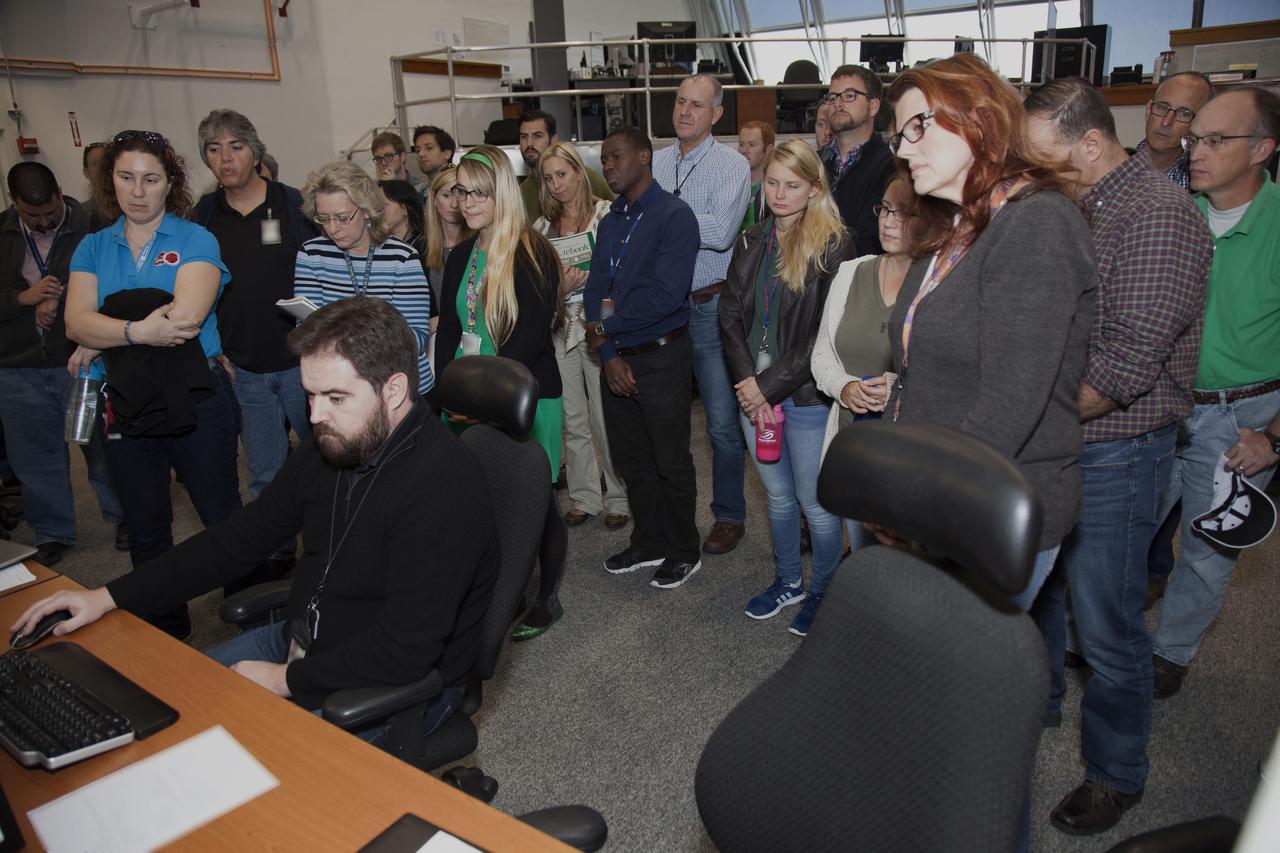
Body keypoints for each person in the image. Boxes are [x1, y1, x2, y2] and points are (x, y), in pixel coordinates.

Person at [13, 297, 501, 749]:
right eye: (309, 395)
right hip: (304, 635)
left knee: (214, 775)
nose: (314, 417)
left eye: (334, 397)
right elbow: (237, 542)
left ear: (394, 389)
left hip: (390, 686)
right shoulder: (334, 446)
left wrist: (280, 680)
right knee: (157, 714)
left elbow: (404, 652)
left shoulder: (443, 484)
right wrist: (107, 597)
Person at [1023, 76, 1214, 836]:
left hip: (1116, 450)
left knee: (1106, 623)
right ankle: (1037, 701)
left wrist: (1022, 418)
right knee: (1039, 593)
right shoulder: (1080, 204)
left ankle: (1115, 772)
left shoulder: (1158, 216)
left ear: (1093, 144)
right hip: (1059, 441)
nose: (1036, 177)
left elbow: (1121, 372)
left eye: (1047, 161)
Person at [883, 54, 1095, 610]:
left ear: (977, 117)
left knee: (963, 681)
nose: (904, 149)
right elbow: (910, 372)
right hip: (940, 488)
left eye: (919, 126)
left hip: (989, 503)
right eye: (899, 136)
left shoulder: (1037, 224)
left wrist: (921, 505)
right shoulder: (956, 228)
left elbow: (1008, 407)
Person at [66, 129, 242, 639]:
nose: (137, 191)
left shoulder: (195, 239)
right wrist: (136, 330)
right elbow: (75, 324)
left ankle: (251, 611)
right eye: (126, 178)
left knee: (221, 515)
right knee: (145, 526)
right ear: (110, 182)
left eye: (150, 179)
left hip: (195, 395)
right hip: (123, 400)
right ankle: (163, 631)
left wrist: (105, 330)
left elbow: (186, 318)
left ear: (171, 185)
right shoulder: (93, 246)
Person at [1150, 87, 1280, 697]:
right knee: (1124, 523)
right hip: (1161, 401)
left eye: (1214, 140)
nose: (1195, 151)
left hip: (1240, 419)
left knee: (1207, 546)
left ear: (1262, 149)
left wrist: (1274, 437)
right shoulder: (1181, 214)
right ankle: (1095, 634)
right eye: (1193, 138)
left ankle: (1170, 653)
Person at [718, 139, 851, 636]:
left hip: (805, 395)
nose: (779, 193)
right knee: (777, 499)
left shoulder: (834, 244)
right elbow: (728, 314)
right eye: (772, 182)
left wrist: (765, 386)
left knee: (813, 501)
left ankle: (824, 591)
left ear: (814, 188)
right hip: (755, 392)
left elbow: (823, 334)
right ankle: (789, 581)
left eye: (791, 185)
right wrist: (747, 383)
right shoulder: (752, 239)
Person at [435, 145, 566, 641]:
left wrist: (479, 401)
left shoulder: (532, 251)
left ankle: (547, 596)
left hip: (524, 399)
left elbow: (528, 342)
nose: (466, 203)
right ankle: (504, 588)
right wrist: (450, 392)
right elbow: (450, 329)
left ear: (503, 194)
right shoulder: (463, 254)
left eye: (478, 193)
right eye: (460, 192)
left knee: (538, 500)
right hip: (468, 399)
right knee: (484, 499)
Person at [192, 109, 319, 582]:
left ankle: (333, 537)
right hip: (241, 366)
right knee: (264, 471)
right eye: (214, 149)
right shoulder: (203, 218)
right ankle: (279, 548)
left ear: (255, 151)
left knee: (325, 456)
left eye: (235, 147)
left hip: (301, 360)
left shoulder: (292, 206)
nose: (225, 158)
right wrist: (213, 347)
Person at [584, 127, 701, 589]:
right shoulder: (612, 220)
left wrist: (600, 330)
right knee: (632, 460)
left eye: (616, 157)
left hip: (661, 356)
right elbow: (597, 287)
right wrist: (608, 350)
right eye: (604, 159)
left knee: (670, 460)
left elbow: (665, 296)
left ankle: (684, 549)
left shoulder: (674, 216)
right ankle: (650, 540)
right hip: (616, 357)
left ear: (645, 156)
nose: (608, 166)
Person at [0, 162, 125, 565]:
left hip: (81, 360)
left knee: (102, 447)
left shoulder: (92, 225)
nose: (42, 222)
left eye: (50, 213)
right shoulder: (2, 234)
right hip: (17, 365)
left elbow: (114, 282)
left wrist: (63, 295)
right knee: (33, 456)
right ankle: (52, 530)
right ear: (13, 203)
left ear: (59, 193)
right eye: (31, 216)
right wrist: (23, 299)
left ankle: (125, 515)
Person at [652, 73, 752, 556]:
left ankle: (730, 515)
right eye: (680, 102)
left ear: (715, 115)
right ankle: (670, 513)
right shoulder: (656, 161)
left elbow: (720, 231)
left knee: (719, 422)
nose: (685, 111)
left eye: (697, 105)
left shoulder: (732, 166)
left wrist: (665, 216)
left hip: (710, 305)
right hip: (662, 309)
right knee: (664, 418)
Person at [531, 141, 630, 531]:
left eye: (563, 174)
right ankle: (586, 495)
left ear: (578, 173)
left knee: (606, 416)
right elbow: (535, 283)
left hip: (598, 326)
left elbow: (625, 272)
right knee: (571, 416)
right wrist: (558, 283)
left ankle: (619, 496)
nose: (557, 184)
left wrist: (597, 289)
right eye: (549, 177)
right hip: (560, 326)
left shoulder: (608, 214)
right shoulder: (541, 227)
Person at [811, 176, 914, 542]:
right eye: (884, 209)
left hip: (909, 448)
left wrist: (899, 386)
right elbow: (822, 353)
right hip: (853, 439)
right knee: (861, 546)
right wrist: (845, 386)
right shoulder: (851, 272)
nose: (887, 220)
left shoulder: (937, 282)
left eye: (902, 213)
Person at [294, 160, 434, 399]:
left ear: (367, 210)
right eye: (323, 219)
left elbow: (416, 339)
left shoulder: (401, 257)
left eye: (342, 217)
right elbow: (307, 331)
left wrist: (344, 334)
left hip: (400, 390)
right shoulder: (312, 254)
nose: (332, 229)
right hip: (338, 389)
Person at [820, 64, 898, 256]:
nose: (838, 103)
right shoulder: (813, 163)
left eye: (849, 96)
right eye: (832, 97)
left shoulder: (891, 167)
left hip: (857, 277)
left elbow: (870, 239)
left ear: (873, 106)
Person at [517, 109, 613, 221]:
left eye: (537, 136)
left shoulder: (587, 178)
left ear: (553, 140)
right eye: (524, 137)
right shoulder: (520, 194)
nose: (529, 143)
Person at [1134, 71, 1216, 190]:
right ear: (1148, 110)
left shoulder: (1204, 183)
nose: (1166, 122)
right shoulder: (1114, 169)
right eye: (1162, 108)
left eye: (1183, 113)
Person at [424, 166, 473, 335]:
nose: (453, 204)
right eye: (446, 195)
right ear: (434, 199)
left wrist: (443, 320)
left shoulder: (479, 245)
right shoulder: (420, 250)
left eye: (459, 194)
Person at [737, 120, 774, 232]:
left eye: (751, 145)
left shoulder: (774, 188)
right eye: (741, 144)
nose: (744, 150)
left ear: (768, 149)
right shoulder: (733, 182)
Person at [370, 131, 425, 198]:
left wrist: (395, 187)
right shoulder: (372, 189)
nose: (383, 162)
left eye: (388, 156)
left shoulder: (421, 188)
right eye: (378, 158)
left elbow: (414, 208)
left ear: (403, 156)